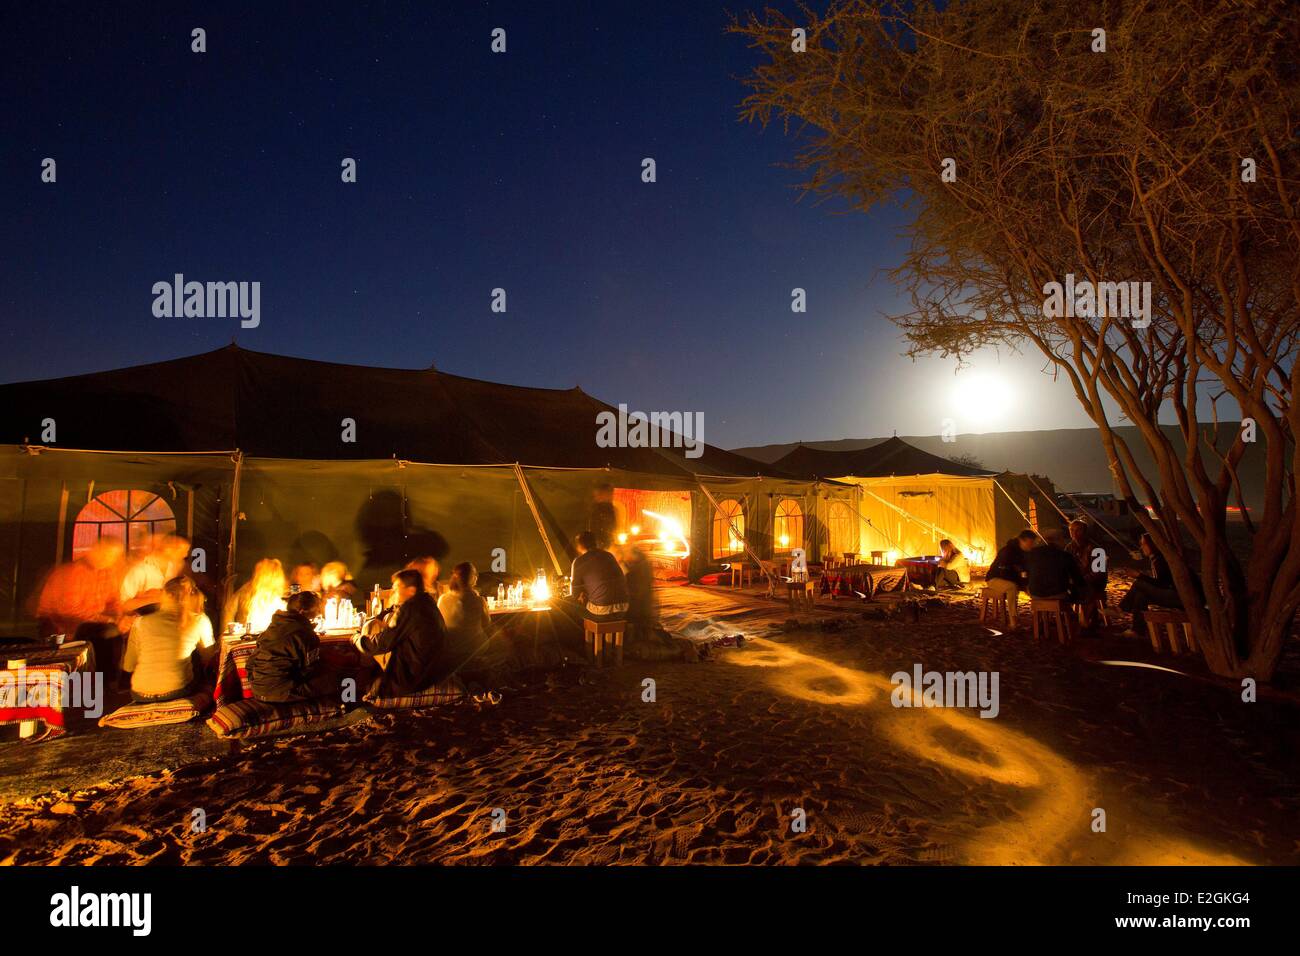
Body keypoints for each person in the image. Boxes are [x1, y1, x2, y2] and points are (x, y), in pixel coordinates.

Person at [36, 536, 126, 676]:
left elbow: (114, 600)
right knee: (108, 634)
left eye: (112, 557)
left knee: (122, 631)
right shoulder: (73, 572)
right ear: (94, 550)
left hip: (90, 623)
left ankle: (115, 681)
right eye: (105, 554)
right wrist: (107, 620)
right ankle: (101, 683)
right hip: (61, 625)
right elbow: (70, 610)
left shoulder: (107, 572)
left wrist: (120, 617)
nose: (107, 559)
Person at [353, 569, 452, 695]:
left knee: (372, 635)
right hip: (434, 673)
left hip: (414, 679)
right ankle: (362, 681)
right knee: (377, 631)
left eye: (396, 588)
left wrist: (357, 638)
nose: (393, 592)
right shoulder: (427, 602)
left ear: (411, 590)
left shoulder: (410, 609)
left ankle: (358, 687)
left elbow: (381, 643)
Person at [122, 576, 216, 703]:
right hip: (179, 691)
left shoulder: (141, 622)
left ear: (165, 595)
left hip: (140, 694)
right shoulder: (200, 620)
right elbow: (209, 659)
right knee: (195, 659)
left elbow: (129, 666)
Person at [249, 591, 339, 702]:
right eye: (317, 608)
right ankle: (348, 709)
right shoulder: (306, 633)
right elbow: (311, 668)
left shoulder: (272, 628)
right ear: (303, 611)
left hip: (257, 690)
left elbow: (251, 662)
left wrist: (259, 683)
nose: (319, 611)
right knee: (340, 679)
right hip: (283, 692)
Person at [1120, 533, 1189, 637]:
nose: (1141, 547)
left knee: (1139, 584)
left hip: (1177, 596)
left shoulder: (1160, 560)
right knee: (1141, 594)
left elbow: (1162, 583)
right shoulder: (1155, 558)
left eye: (1144, 544)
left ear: (1153, 544)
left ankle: (1121, 608)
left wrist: (1139, 576)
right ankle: (1137, 629)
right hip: (1170, 593)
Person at [120, 533, 191, 620]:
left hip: (169, 619)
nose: (185, 555)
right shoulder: (140, 570)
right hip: (145, 621)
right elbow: (124, 606)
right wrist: (157, 598)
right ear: (168, 549)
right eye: (182, 551)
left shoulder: (177, 566)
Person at [437, 562, 492, 674]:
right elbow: (487, 624)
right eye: (475, 575)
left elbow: (439, 624)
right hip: (476, 648)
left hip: (451, 648)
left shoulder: (442, 599)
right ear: (472, 578)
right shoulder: (479, 601)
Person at [570, 531, 629, 620]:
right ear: (595, 543)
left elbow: (575, 593)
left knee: (571, 605)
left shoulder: (579, 561)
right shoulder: (609, 555)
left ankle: (589, 632)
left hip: (602, 612)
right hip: (623, 609)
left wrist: (582, 594)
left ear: (580, 546)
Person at [984, 530, 1037, 629]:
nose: (1032, 545)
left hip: (1012, 579)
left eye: (1033, 543)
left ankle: (1038, 618)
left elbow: (1024, 571)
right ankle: (1013, 619)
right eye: (1030, 543)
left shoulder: (1025, 553)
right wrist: (1021, 584)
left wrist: (1027, 585)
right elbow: (1004, 572)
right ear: (1022, 540)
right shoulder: (1008, 551)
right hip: (995, 578)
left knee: (1029, 588)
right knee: (1012, 587)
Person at [223, 558, 288, 633]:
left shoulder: (279, 593)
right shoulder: (246, 589)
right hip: (246, 635)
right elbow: (228, 610)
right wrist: (226, 632)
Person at [1066, 519, 1108, 627]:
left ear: (1084, 532)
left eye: (1077, 530)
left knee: (1085, 588)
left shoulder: (1097, 549)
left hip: (1094, 582)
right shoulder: (1069, 548)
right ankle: (1069, 616)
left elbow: (1098, 573)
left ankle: (1085, 622)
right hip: (1077, 581)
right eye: (1071, 530)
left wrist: (1079, 580)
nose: (1074, 533)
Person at [1025, 530, 1087, 602]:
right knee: (1083, 593)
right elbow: (1077, 578)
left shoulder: (1031, 554)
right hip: (1057, 593)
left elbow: (1026, 573)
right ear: (1058, 540)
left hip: (1035, 594)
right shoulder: (1064, 555)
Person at [588, 484, 619, 550]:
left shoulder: (608, 508)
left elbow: (613, 525)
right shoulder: (599, 509)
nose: (612, 496)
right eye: (609, 494)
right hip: (601, 542)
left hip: (603, 542)